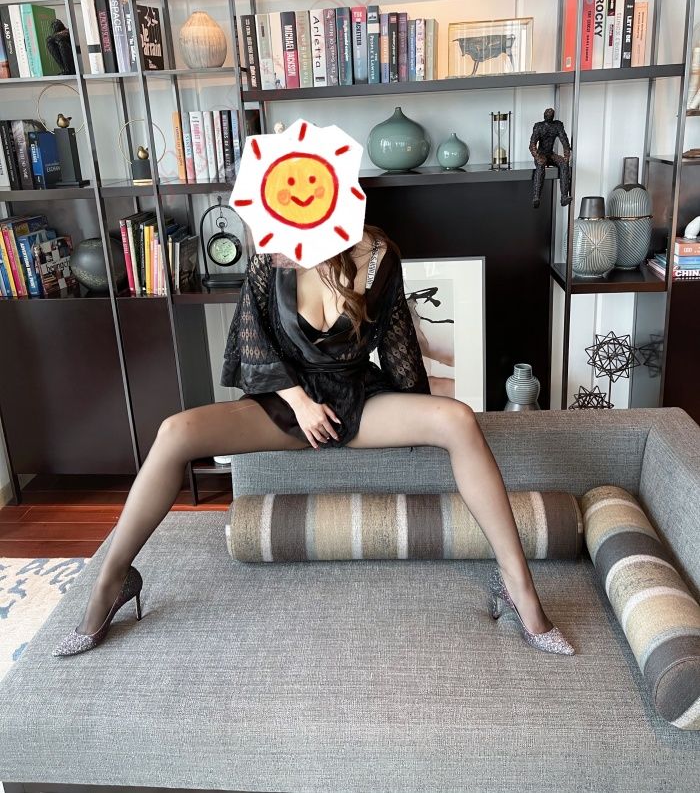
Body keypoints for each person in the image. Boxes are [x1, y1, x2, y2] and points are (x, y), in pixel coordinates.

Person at [52, 224, 574, 657]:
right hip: (284, 406)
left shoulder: (379, 257)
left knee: (457, 419)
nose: (278, 238)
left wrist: (417, 409)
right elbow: (252, 345)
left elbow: (398, 347)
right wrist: (299, 402)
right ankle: (112, 583)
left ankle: (519, 589)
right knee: (174, 432)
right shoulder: (270, 255)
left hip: (354, 400)